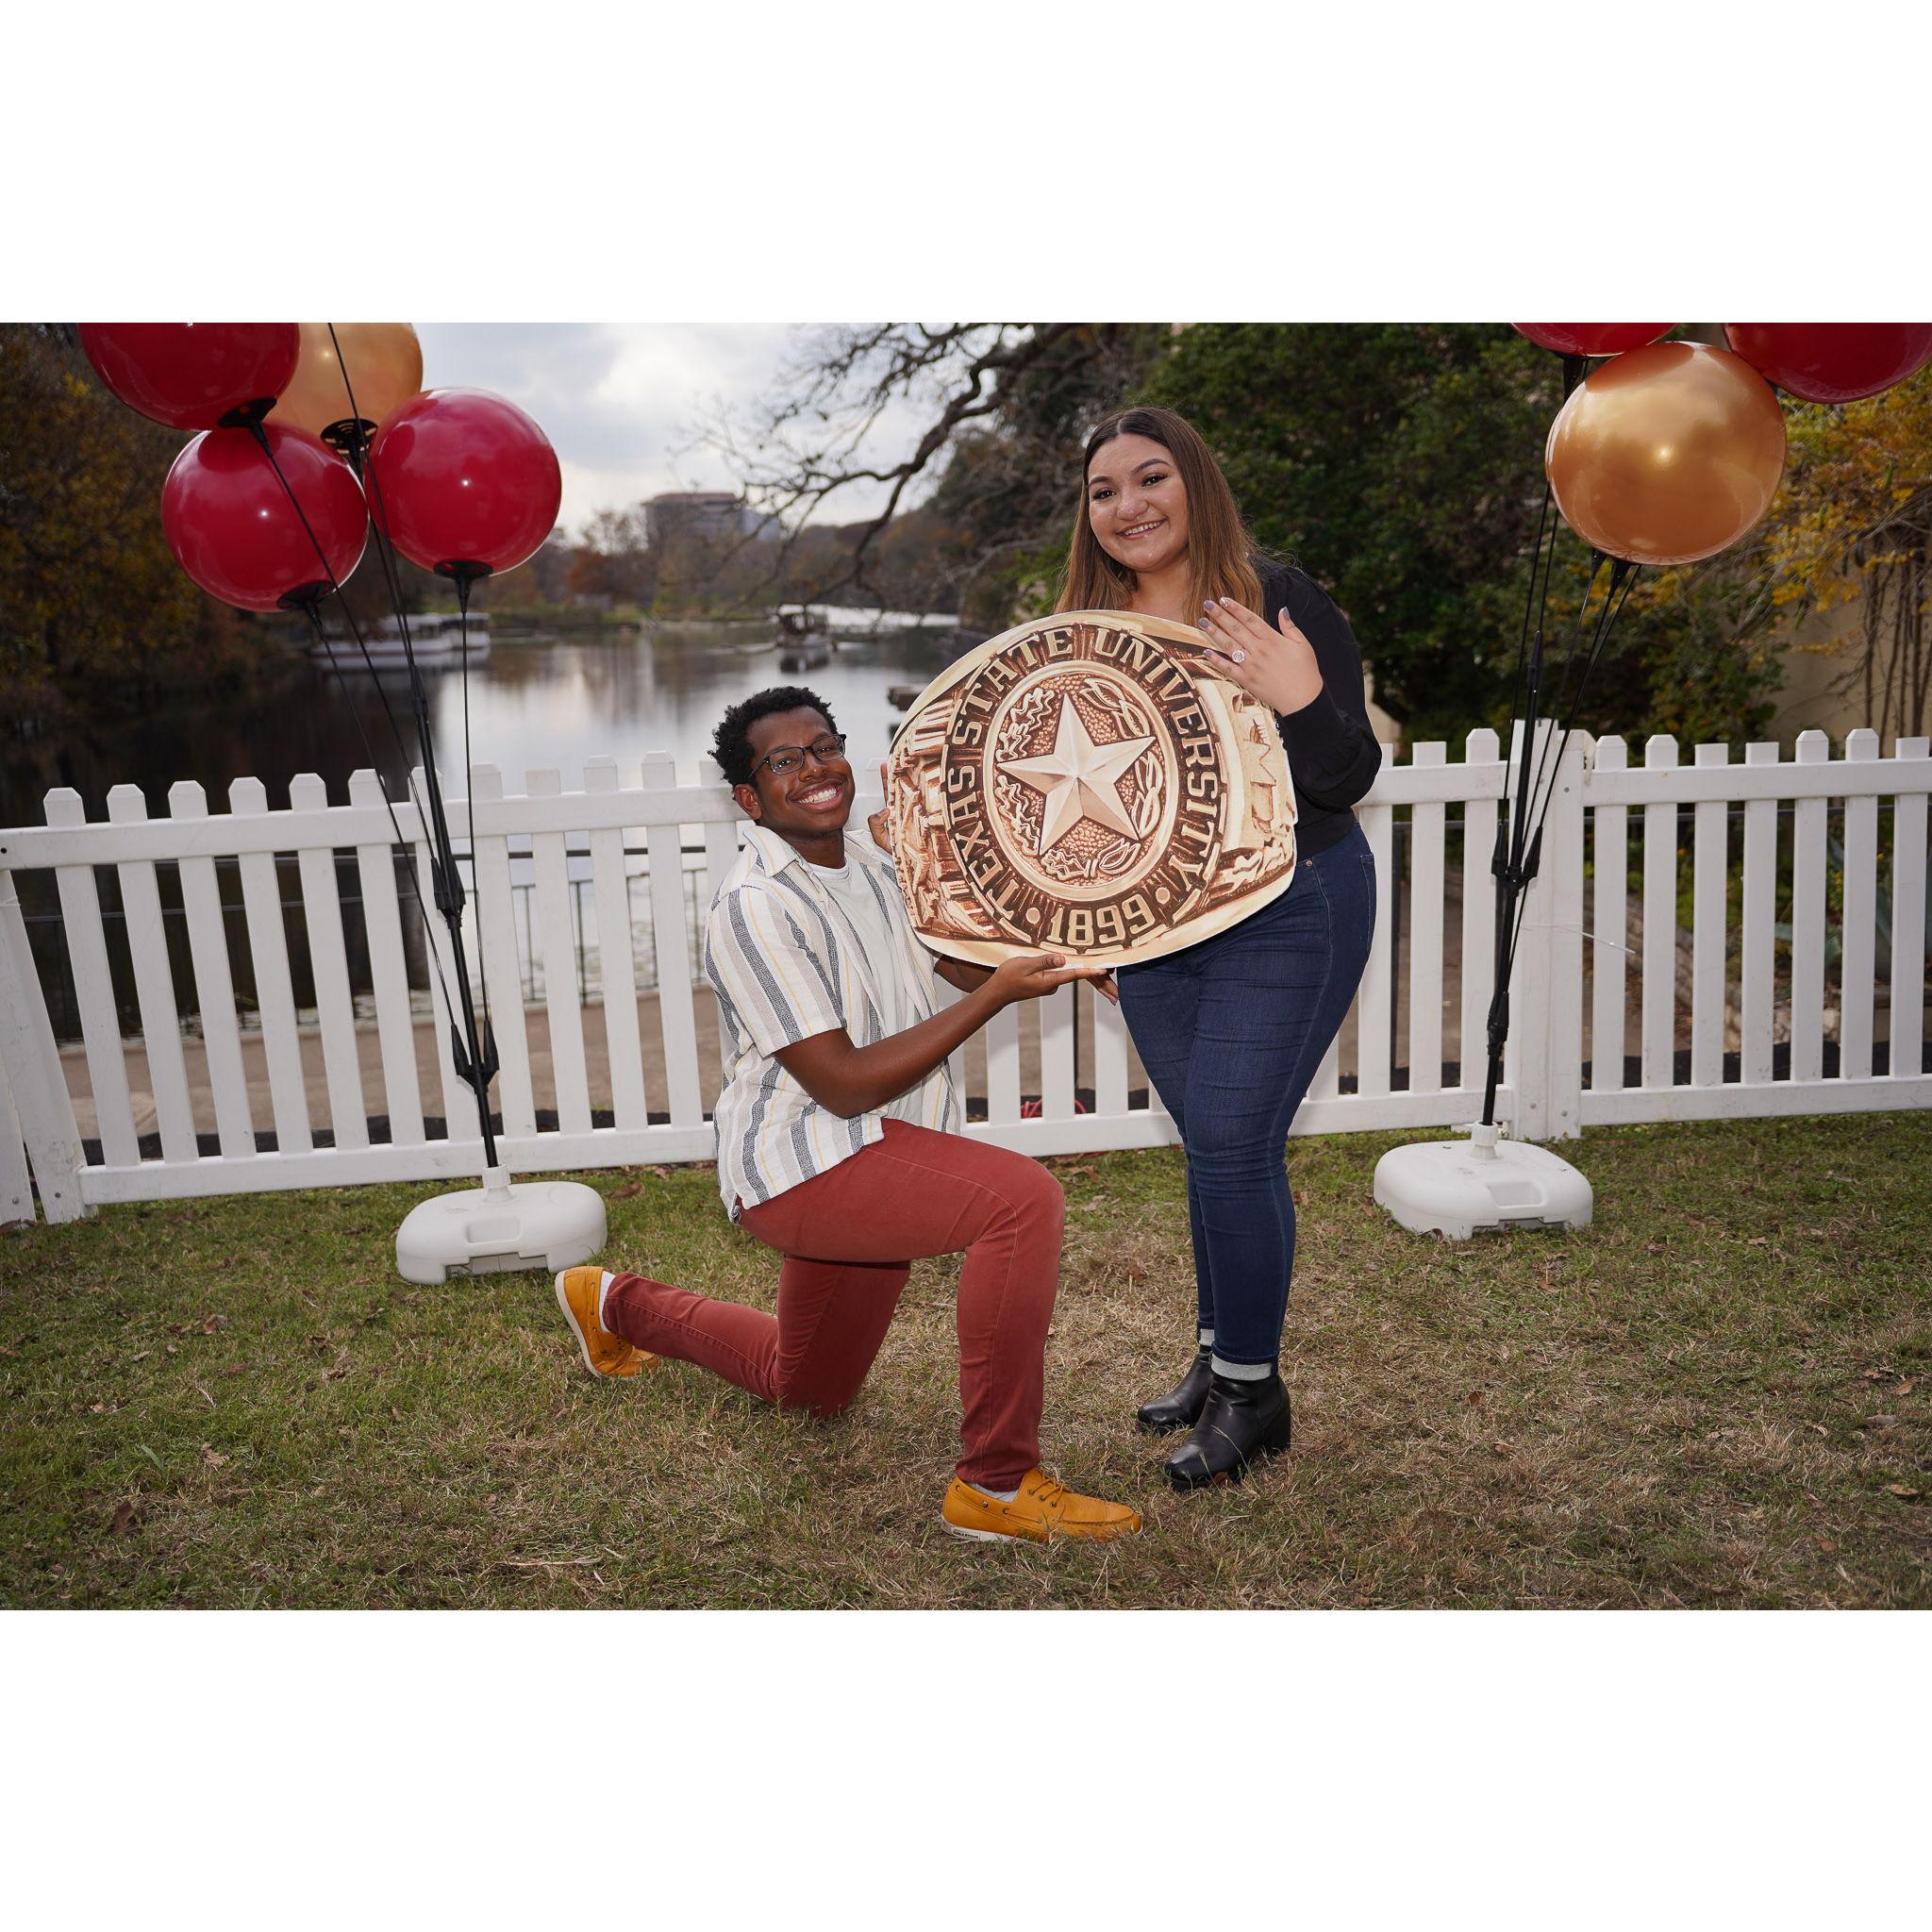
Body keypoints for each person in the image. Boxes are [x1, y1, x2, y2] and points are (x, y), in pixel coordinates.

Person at [552, 685, 1141, 1545]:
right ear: (749, 800)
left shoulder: (873, 863)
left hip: (880, 1146)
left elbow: (959, 965)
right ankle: (998, 1483)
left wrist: (1063, 959)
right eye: (785, 761)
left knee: (810, 1390)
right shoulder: (756, 907)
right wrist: (999, 998)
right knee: (1022, 1202)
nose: (816, 770)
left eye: (824, 746)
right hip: (802, 1163)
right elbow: (844, 1086)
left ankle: (614, 1304)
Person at [1060, 406, 1381, 1491]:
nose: (1128, 505)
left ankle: (1254, 1390)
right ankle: (1214, 1353)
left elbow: (1346, 775)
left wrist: (1292, 695)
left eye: (1151, 478)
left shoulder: (1271, 596)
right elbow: (1064, 816)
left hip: (1295, 899)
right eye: (1104, 490)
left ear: (1195, 481)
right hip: (1156, 927)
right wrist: (1077, 927)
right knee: (1210, 1143)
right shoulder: (1082, 626)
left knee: (1236, 1144)